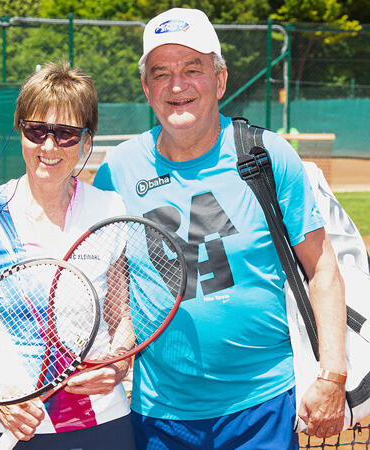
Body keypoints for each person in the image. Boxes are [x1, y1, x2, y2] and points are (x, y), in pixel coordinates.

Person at [92, 8, 347, 448]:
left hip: (263, 405)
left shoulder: (267, 155)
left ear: (220, 79)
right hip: (160, 415)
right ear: (146, 89)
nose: (177, 85)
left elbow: (322, 268)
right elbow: (105, 277)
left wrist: (333, 374)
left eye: (193, 69)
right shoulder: (116, 171)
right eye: (161, 73)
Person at [0, 62, 135, 450]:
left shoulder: (110, 209)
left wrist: (117, 364)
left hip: (100, 422)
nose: (48, 147)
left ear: (85, 140)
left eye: (65, 134)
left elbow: (120, 316)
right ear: (20, 132)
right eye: (36, 131)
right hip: (3, 424)